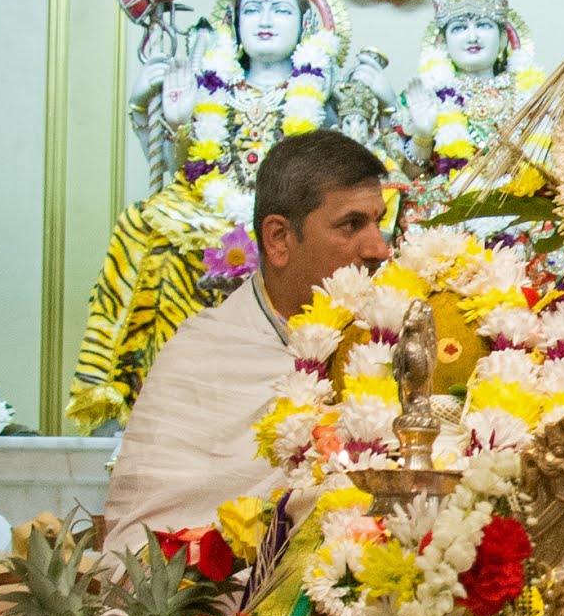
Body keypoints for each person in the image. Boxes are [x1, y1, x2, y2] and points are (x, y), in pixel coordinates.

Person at [102, 128, 396, 551]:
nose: (378, 249)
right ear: (279, 239)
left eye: (378, 222)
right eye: (351, 224)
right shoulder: (203, 355)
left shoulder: (394, 339)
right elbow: (141, 542)